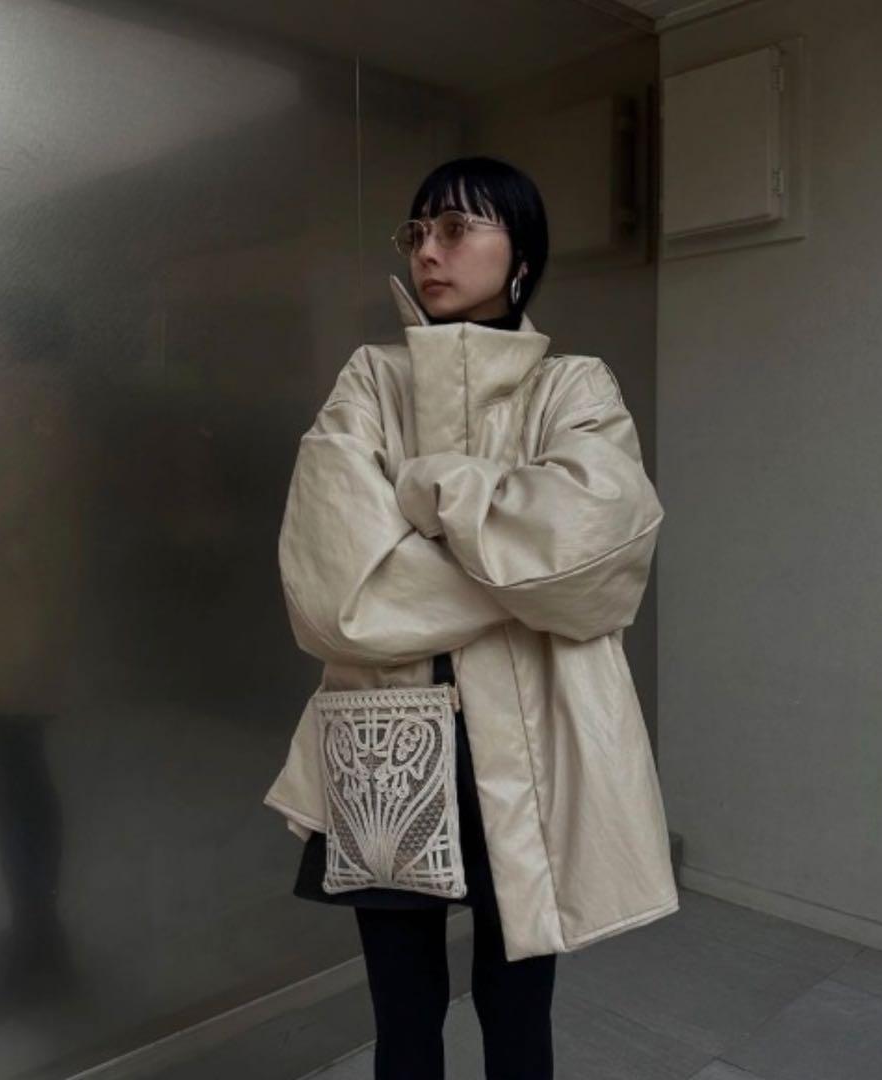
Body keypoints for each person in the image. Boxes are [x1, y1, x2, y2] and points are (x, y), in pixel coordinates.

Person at [265, 155, 678, 1079]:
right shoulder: (371, 380)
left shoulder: (575, 386)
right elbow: (335, 593)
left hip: (535, 738)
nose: (428, 250)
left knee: (518, 1011)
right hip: (384, 737)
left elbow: (598, 557)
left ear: (520, 254)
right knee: (402, 1016)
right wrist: (519, 577)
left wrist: (430, 489)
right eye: (417, 231)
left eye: (456, 228)